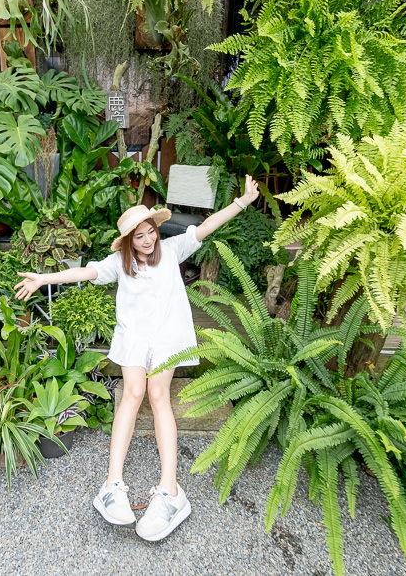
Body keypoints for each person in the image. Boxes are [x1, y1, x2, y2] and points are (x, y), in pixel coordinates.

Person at [14, 174, 260, 542]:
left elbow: (206, 226)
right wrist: (44, 278)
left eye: (150, 232)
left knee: (159, 397)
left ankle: (170, 490)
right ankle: (113, 484)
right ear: (128, 241)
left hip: (165, 337)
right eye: (139, 236)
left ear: (156, 229)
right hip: (133, 338)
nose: (147, 240)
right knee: (131, 394)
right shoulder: (118, 263)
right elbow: (85, 271)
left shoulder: (174, 248)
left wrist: (242, 201)